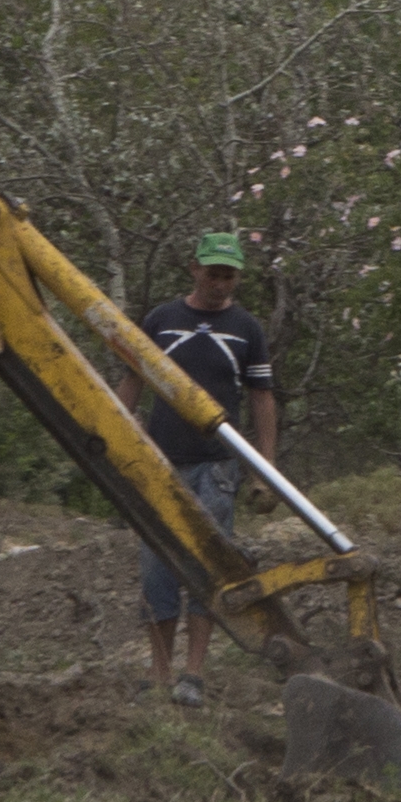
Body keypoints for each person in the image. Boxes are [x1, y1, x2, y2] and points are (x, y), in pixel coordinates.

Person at [114, 232, 277, 708]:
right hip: (159, 464)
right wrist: (113, 440)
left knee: (208, 570)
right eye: (212, 273)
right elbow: (131, 380)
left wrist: (264, 468)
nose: (219, 283)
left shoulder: (247, 329)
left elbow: (262, 399)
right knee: (158, 568)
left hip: (218, 467)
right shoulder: (162, 321)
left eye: (228, 275)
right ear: (194, 269)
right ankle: (159, 673)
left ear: (238, 277)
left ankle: (193, 674)